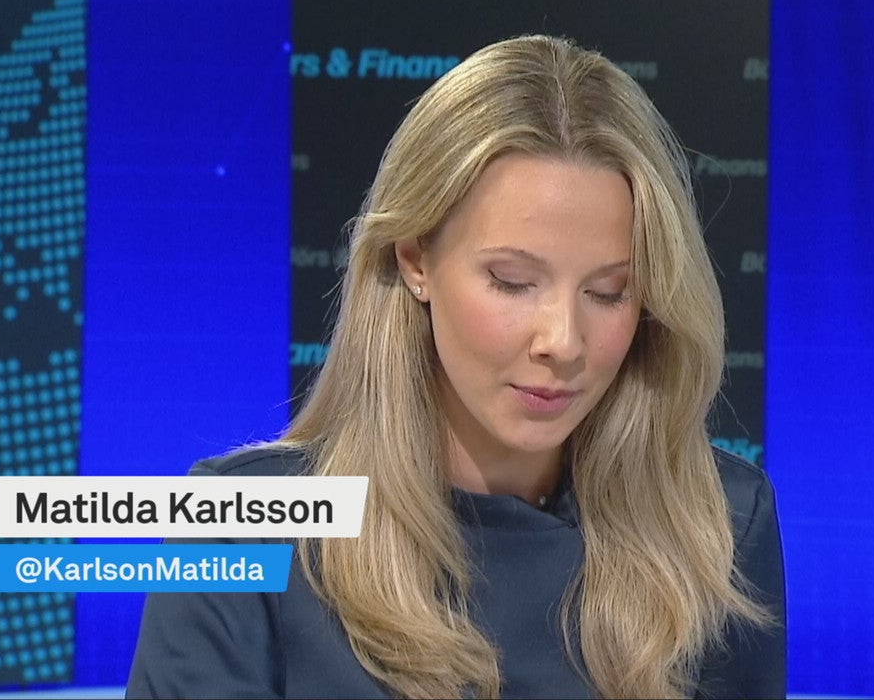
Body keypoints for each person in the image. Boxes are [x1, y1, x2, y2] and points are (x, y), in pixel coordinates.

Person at [126, 34, 785, 699]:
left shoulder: (719, 526)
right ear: (415, 259)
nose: (563, 341)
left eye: (609, 292)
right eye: (511, 281)